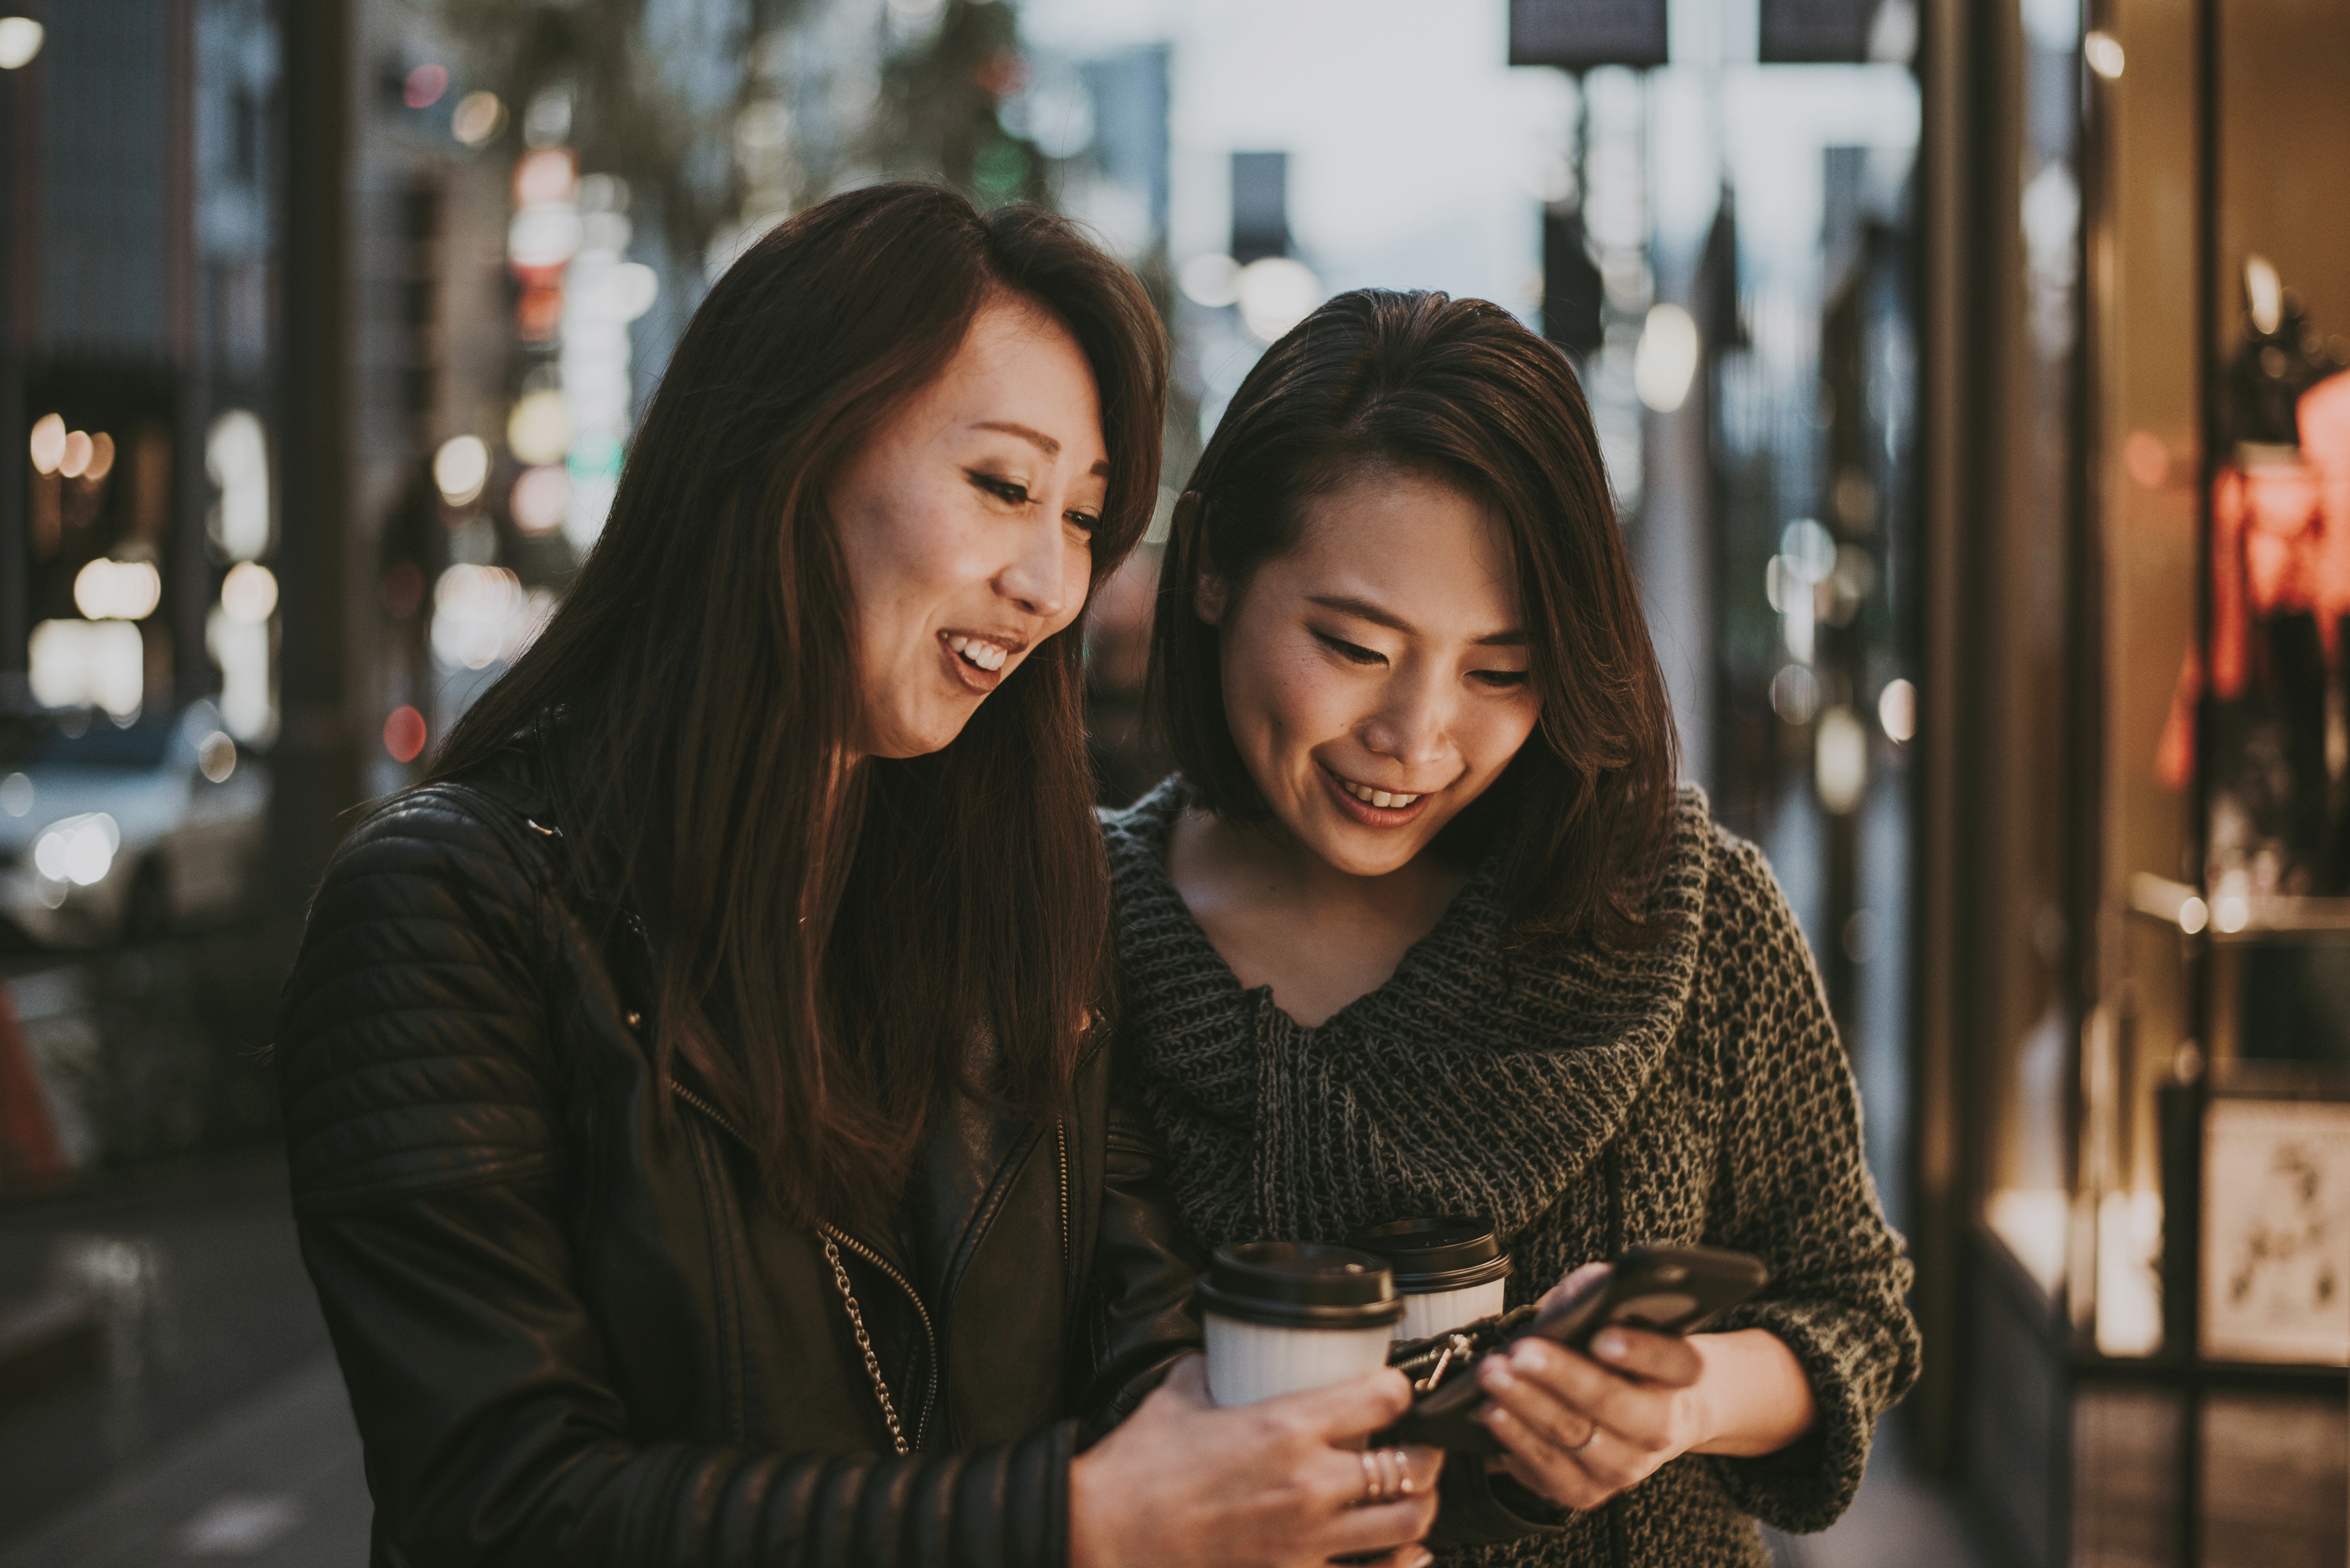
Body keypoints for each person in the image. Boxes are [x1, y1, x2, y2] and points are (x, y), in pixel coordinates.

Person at [274, 186, 1442, 1568]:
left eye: (1083, 519)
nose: (1049, 583)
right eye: (1005, 488)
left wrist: (1279, 1488)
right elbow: (505, 1509)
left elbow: (1141, 1326)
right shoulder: (449, 915)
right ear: (788, 448)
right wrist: (1072, 1526)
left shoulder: (1030, 883)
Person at [1102, 288, 1921, 1565]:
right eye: (1354, 645)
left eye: (1500, 670)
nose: (1418, 737)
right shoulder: (1073, 933)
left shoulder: (1686, 916)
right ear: (1208, 569)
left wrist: (1681, 1401)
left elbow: (1852, 1311)